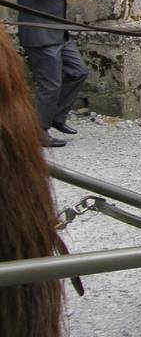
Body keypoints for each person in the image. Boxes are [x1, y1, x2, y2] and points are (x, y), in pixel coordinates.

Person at [0, 29, 64, 337]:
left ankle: (46, 125)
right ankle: (45, 127)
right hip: (42, 36)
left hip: (54, 35)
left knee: (59, 80)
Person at [12, 0, 95, 148]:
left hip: (59, 33)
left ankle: (56, 117)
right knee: (50, 85)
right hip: (39, 34)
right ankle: (39, 131)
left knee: (78, 72)